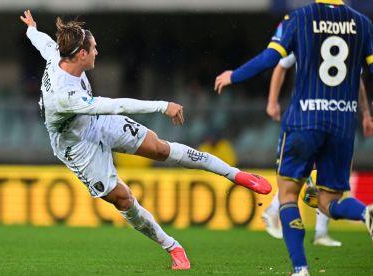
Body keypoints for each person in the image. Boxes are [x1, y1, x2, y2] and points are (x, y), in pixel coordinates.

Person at [20, 10, 272, 271]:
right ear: (81, 54)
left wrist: (31, 29)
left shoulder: (58, 54)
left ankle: (235, 175)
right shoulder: (64, 96)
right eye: (94, 47)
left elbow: (43, 42)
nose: (97, 50)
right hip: (77, 146)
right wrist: (163, 106)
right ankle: (172, 246)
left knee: (160, 148)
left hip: (95, 122)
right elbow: (115, 106)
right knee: (123, 199)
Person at [214, 1, 373, 275]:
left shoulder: (298, 18)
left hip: (304, 120)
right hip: (343, 124)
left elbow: (270, 58)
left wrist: (234, 75)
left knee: (288, 195)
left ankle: (300, 269)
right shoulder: (363, 24)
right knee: (329, 202)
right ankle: (364, 213)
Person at [262, 53, 373, 246]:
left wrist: (365, 112)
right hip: (313, 119)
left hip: (331, 120)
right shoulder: (313, 33)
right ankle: (274, 212)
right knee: (304, 176)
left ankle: (318, 232)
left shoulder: (328, 36)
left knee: (321, 181)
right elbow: (280, 63)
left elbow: (357, 80)